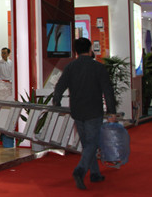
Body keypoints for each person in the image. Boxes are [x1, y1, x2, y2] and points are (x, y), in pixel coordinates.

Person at [53, 37, 116, 190]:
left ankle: (95, 174)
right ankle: (80, 170)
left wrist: (57, 102)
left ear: (75, 51)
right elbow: (108, 91)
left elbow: (60, 86)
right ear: (90, 50)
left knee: (87, 144)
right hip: (93, 111)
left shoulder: (70, 67)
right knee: (92, 143)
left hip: (77, 110)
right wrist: (111, 111)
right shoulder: (98, 67)